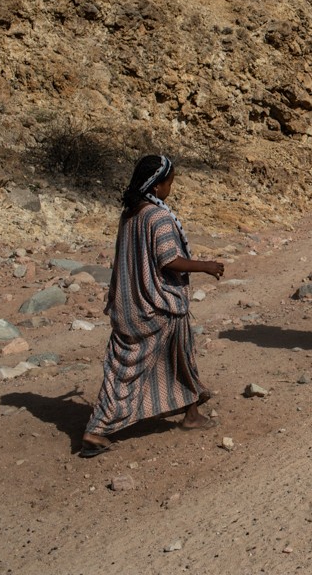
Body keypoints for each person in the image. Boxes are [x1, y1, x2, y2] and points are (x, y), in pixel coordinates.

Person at [80, 155, 225, 458]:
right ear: (158, 185)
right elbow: (168, 259)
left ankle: (192, 412)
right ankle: (97, 429)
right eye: (170, 182)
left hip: (130, 304)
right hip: (157, 308)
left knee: (180, 356)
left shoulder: (130, 214)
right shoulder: (157, 217)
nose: (171, 187)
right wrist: (206, 266)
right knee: (127, 372)